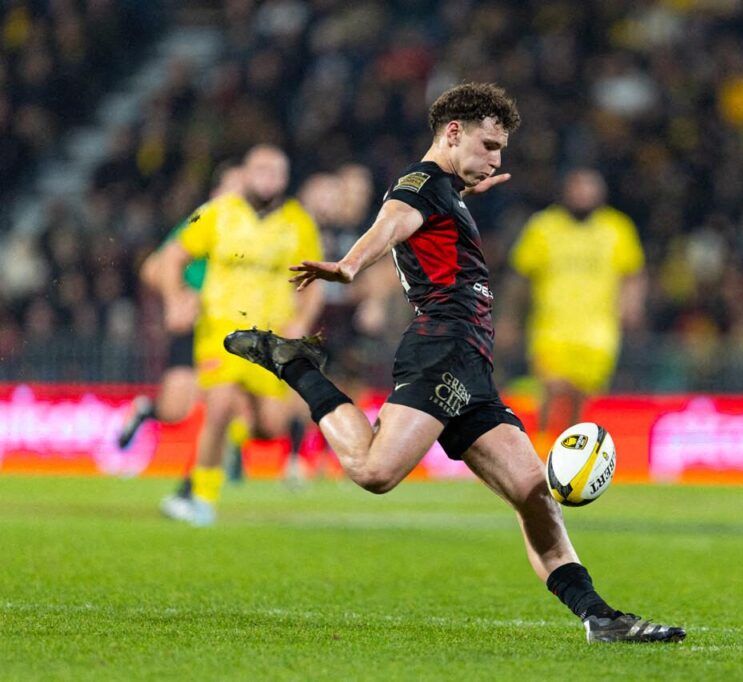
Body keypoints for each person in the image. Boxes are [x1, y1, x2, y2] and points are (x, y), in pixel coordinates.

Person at [223, 83, 685, 643]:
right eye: (489, 146)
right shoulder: (421, 184)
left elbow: (427, 223)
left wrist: (470, 188)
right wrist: (349, 265)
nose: (495, 160)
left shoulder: (446, 191)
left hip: (472, 365)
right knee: (374, 472)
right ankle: (295, 365)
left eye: (501, 152)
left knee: (533, 494)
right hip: (441, 350)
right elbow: (393, 219)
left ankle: (599, 617)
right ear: (454, 132)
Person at [160, 144, 324, 525]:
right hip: (222, 329)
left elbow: (314, 280)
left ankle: (237, 438)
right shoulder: (215, 214)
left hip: (272, 337)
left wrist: (302, 320)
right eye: (261, 169)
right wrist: (174, 299)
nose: (268, 178)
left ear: (285, 179)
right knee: (217, 405)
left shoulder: (298, 223)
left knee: (271, 427)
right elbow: (172, 256)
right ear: (246, 173)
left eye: (276, 171)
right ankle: (201, 496)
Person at [117, 163, 250, 518]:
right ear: (216, 193)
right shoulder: (201, 222)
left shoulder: (255, 232)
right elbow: (152, 268)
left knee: (231, 407)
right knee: (177, 411)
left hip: (232, 331)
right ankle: (149, 411)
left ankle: (193, 491)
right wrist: (177, 298)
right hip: (196, 327)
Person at [504, 168, 646, 447]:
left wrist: (632, 304)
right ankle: (541, 448)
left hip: (599, 331)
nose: (583, 194)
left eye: (589, 188)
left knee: (581, 397)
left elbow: (633, 273)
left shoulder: (617, 228)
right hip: (551, 328)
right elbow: (520, 276)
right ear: (566, 191)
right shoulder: (543, 227)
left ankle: (567, 454)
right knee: (552, 388)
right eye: (578, 187)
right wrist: (509, 318)